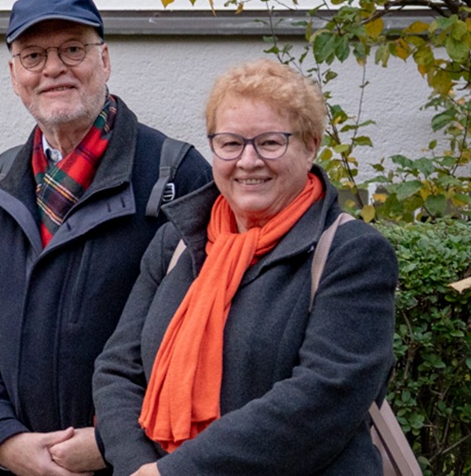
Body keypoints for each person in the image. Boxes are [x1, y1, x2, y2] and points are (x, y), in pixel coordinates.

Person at [92, 60, 400, 475]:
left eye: (270, 143)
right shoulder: (178, 242)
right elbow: (117, 371)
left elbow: (324, 397)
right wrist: (136, 465)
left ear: (310, 146)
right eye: (231, 143)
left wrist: (176, 473)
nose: (248, 161)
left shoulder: (352, 252)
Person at [0, 0, 212, 476]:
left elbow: (204, 345)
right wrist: (3, 439)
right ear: (14, 75)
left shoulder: (175, 176)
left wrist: (119, 439)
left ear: (105, 60)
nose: (53, 68)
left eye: (73, 49)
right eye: (33, 55)